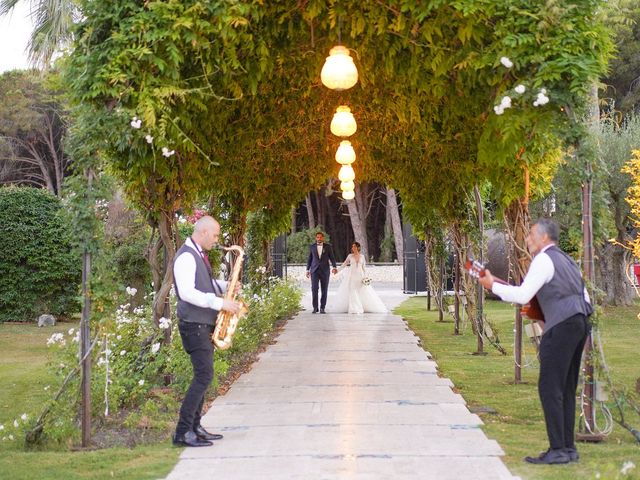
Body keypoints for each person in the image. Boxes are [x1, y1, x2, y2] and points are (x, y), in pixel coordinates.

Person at [478, 218, 592, 465]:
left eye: (530, 235)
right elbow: (583, 295)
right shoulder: (567, 260)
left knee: (549, 387)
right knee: (566, 387)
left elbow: (522, 294)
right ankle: (568, 448)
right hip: (580, 322)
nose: (527, 239)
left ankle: (558, 450)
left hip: (561, 326)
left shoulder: (543, 259)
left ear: (543, 238)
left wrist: (491, 286)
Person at [172, 215, 242, 447]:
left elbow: (203, 284)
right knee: (203, 376)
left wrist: (225, 287)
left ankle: (195, 426)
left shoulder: (198, 254)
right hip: (193, 324)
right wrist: (220, 303)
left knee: (205, 375)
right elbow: (186, 293)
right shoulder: (186, 257)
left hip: (203, 324)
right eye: (214, 235)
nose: (216, 240)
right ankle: (183, 431)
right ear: (202, 232)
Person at [332, 242, 387, 314]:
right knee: (352, 291)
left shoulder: (362, 257)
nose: (353, 248)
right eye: (352, 247)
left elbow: (364, 268)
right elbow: (344, 265)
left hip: (360, 276)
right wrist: (337, 271)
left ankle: (361, 306)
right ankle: (354, 308)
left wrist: (365, 277)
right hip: (352, 276)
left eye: (354, 246)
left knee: (360, 292)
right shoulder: (350, 256)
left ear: (358, 247)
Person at [306, 232, 338, 313]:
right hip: (314, 271)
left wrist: (334, 267)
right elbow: (309, 259)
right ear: (316, 238)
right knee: (314, 289)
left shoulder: (328, 247)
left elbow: (332, 258)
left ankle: (322, 308)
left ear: (323, 238)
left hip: (325, 271)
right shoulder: (312, 247)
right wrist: (307, 270)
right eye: (317, 237)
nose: (319, 238)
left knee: (324, 290)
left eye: (320, 237)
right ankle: (315, 307)